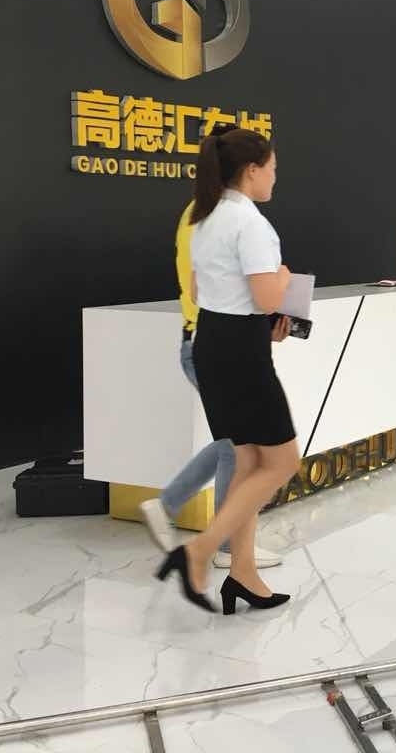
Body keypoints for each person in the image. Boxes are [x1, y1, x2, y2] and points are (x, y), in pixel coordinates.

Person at [154, 125, 300, 615]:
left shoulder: (204, 218)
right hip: (241, 355)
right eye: (272, 170)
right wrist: (284, 278)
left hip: (214, 342)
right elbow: (267, 297)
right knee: (281, 463)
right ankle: (198, 551)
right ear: (252, 170)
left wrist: (259, 320)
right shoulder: (250, 223)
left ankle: (242, 572)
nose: (275, 178)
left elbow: (199, 291)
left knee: (247, 462)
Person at [137, 200, 283, 571]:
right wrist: (278, 284)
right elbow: (205, 289)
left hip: (210, 342)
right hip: (215, 346)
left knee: (233, 442)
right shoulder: (214, 216)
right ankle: (228, 545)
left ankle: (169, 506)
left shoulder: (207, 214)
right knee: (237, 446)